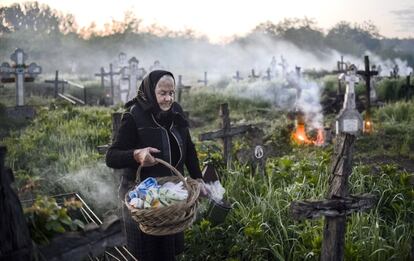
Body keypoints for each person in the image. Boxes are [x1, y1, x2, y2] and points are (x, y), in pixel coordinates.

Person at [106, 70, 208, 261]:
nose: (168, 98)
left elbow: (189, 149)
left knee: (168, 253)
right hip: (143, 201)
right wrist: (137, 154)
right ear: (150, 91)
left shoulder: (176, 110)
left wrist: (198, 177)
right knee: (147, 254)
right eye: (162, 93)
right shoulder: (134, 116)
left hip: (169, 199)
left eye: (171, 93)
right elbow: (111, 157)